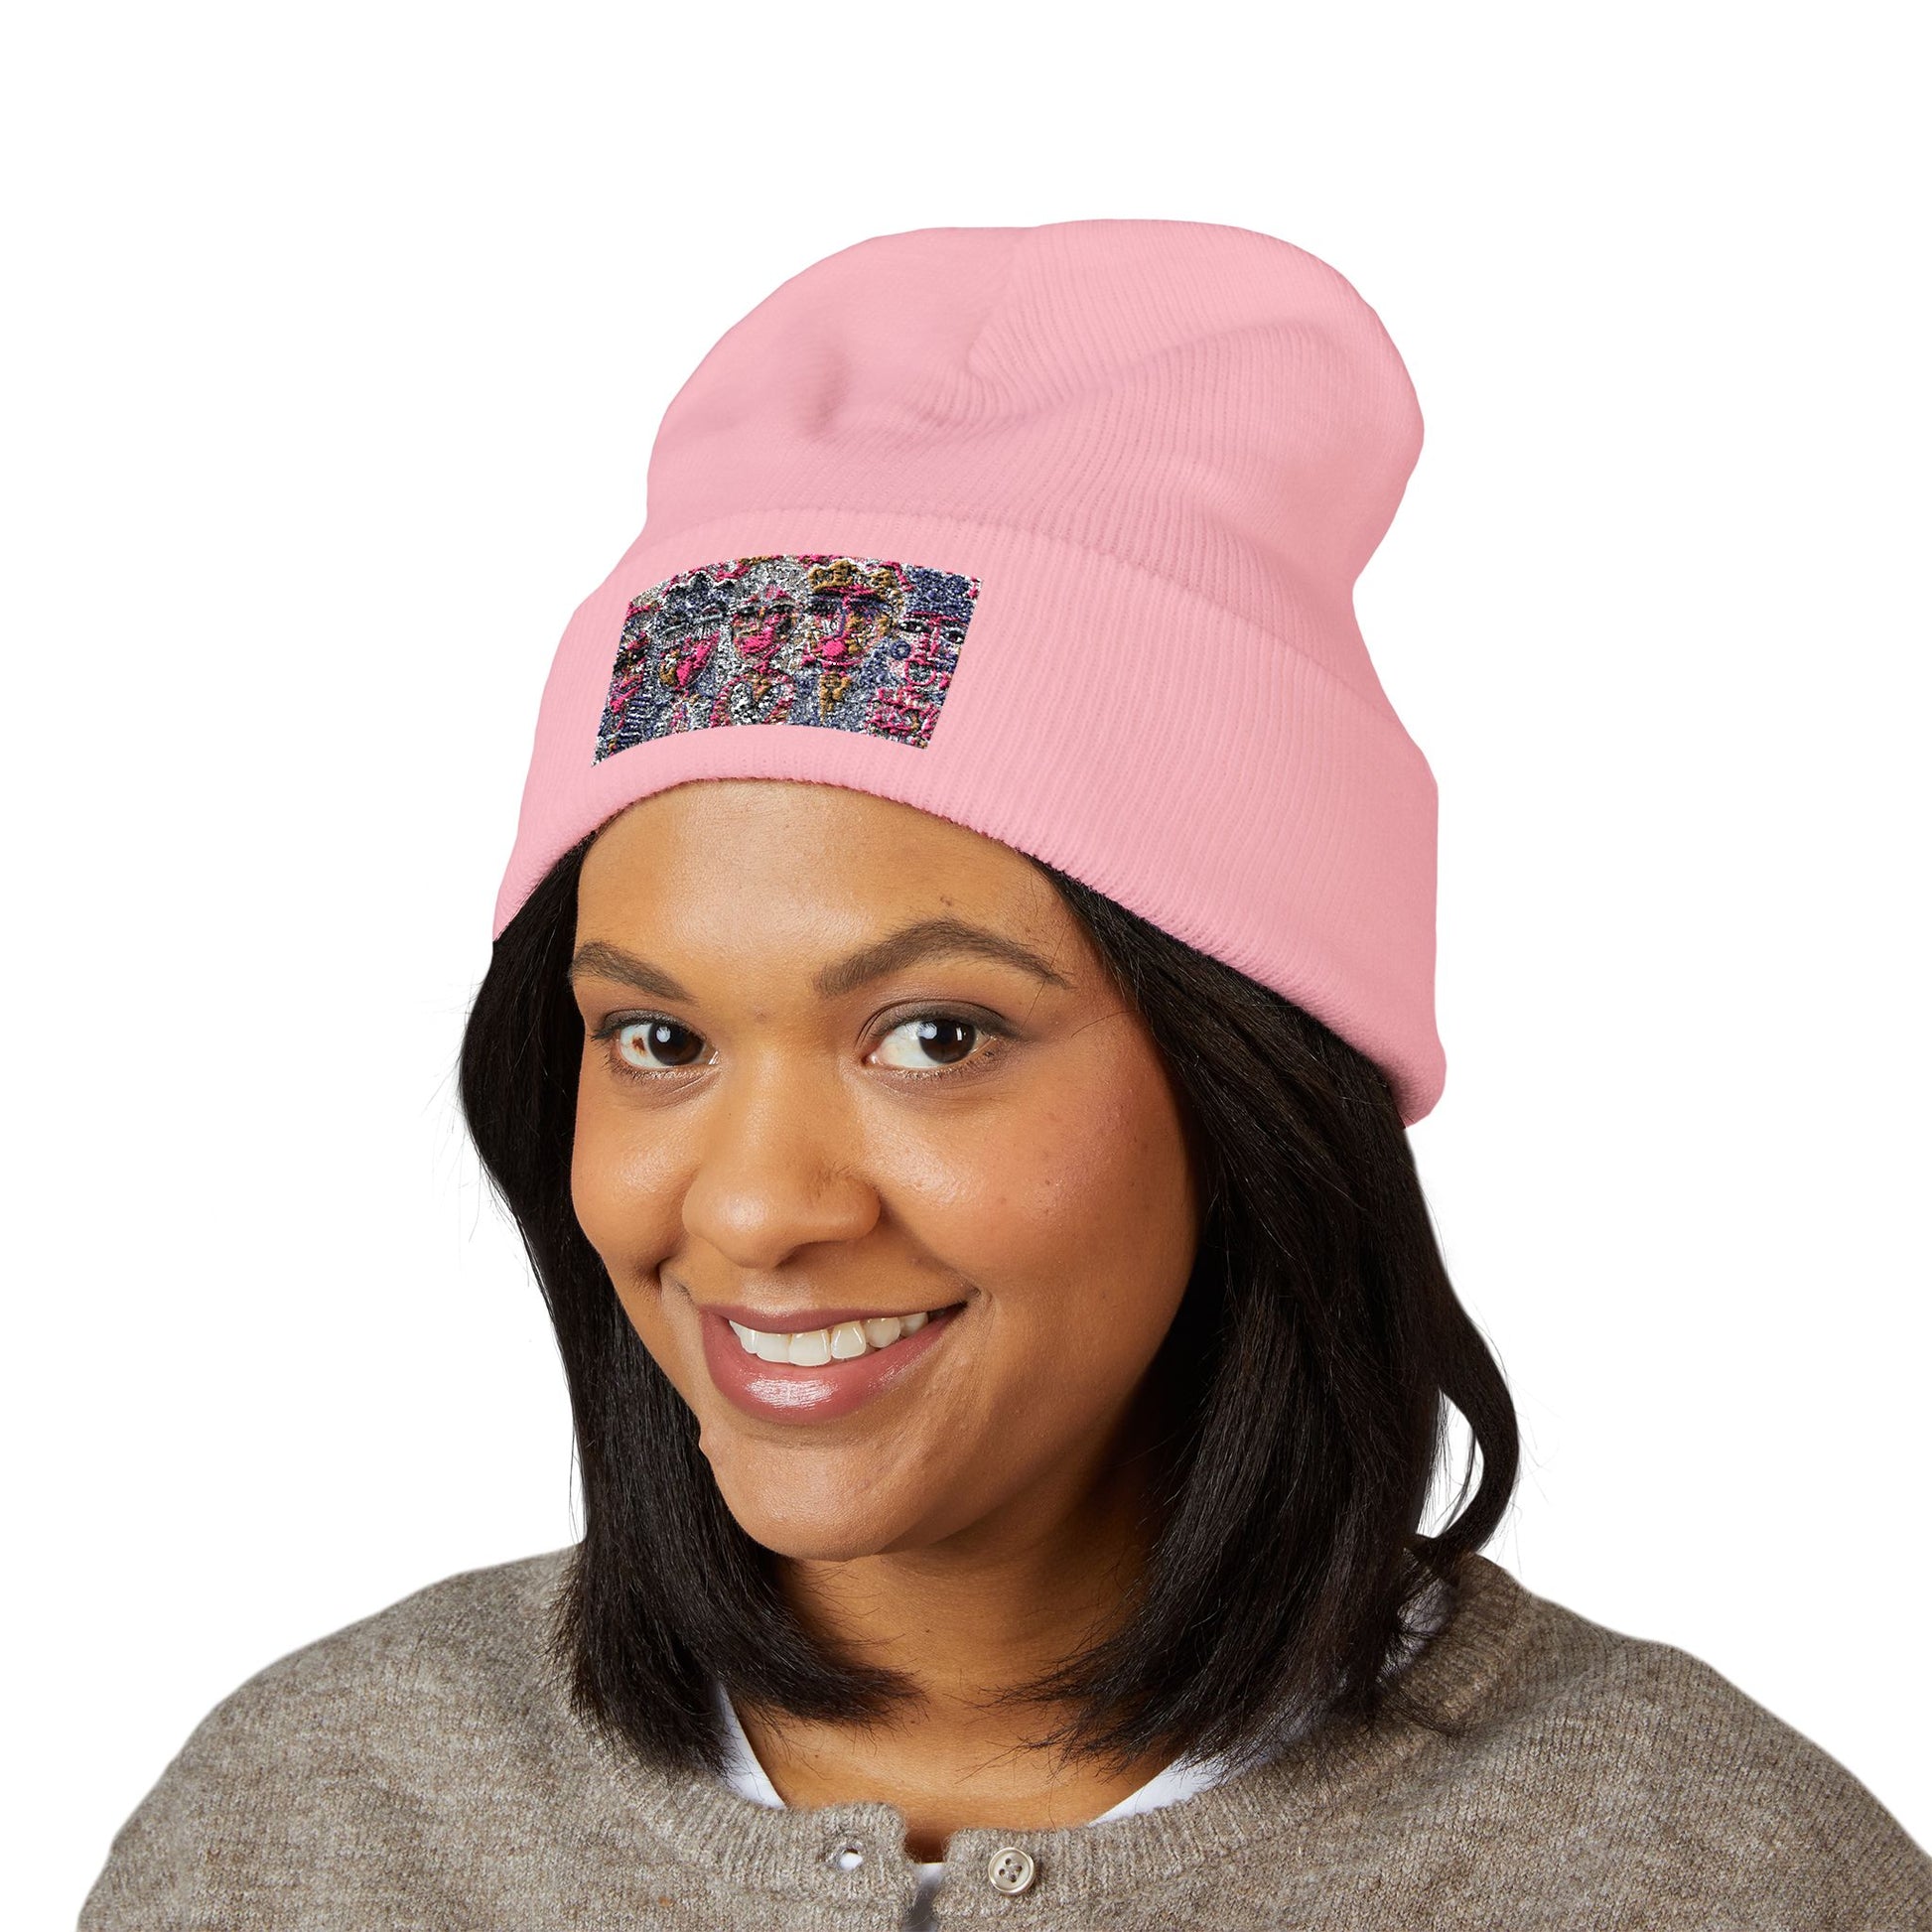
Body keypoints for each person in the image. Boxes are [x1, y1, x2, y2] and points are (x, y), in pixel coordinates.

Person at [79, 218, 1930, 1931]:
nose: (756, 1206)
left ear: (1252, 1093)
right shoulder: (321, 1824)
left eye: (934, 1037)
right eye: (659, 1038)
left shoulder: (1697, 1874)